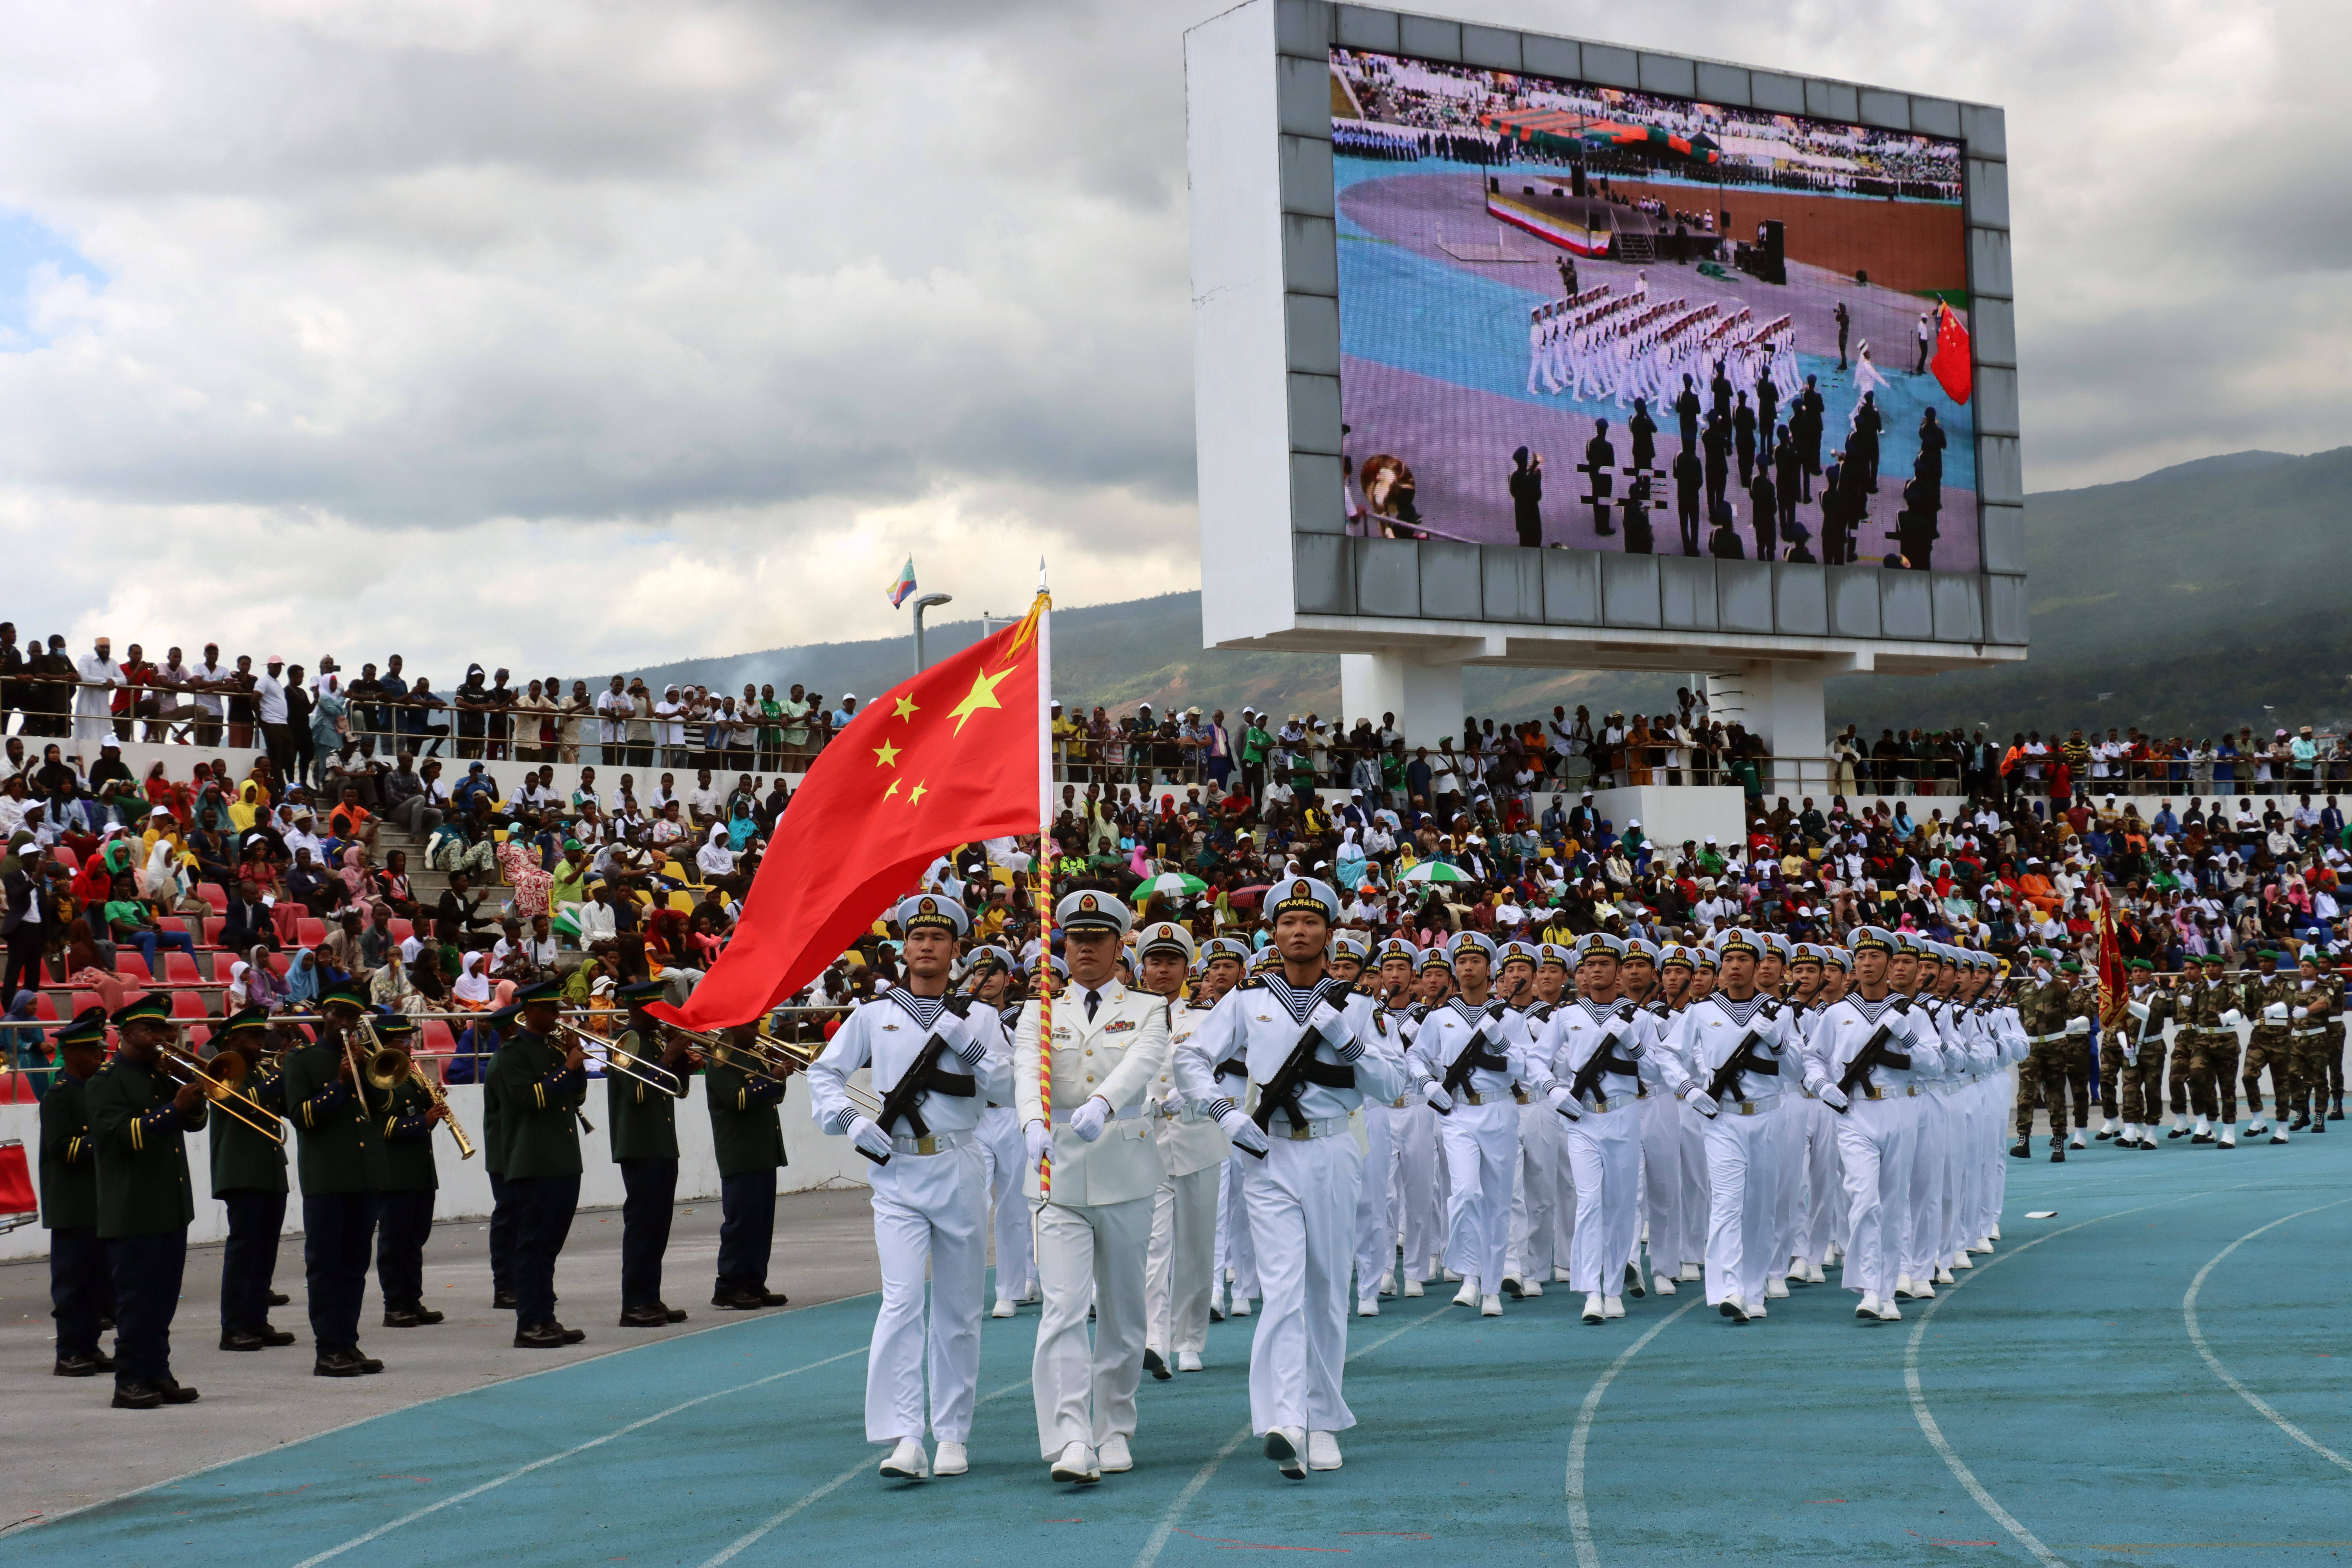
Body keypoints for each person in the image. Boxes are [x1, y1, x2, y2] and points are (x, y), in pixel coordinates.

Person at [1180, 876, 1409, 1478]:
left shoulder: (1358, 1005)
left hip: (1333, 1152)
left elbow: (1392, 1086)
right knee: (1282, 1287)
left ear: (1329, 934)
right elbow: (1191, 1058)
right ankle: (1284, 1418)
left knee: (1327, 1287)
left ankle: (1324, 1418)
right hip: (1268, 1153)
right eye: (1287, 923)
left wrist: (1350, 1044)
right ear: (1273, 933)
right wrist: (1224, 1113)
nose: (1298, 932)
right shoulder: (1247, 999)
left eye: (1310, 923)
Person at [809, 894, 1009, 1482]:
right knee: (901, 1302)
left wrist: (967, 1041)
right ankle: (905, 1435)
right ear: (903, 947)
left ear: (955, 950)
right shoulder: (875, 1014)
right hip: (897, 1171)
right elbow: (823, 1074)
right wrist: (850, 1121)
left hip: (959, 1165)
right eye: (916, 936)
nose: (926, 946)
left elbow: (1009, 1085)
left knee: (958, 1307)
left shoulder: (981, 1016)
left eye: (937, 938)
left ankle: (952, 1434)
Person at [1012, 887, 1171, 1485]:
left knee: (1126, 1314)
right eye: (1075, 939)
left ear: (1117, 944)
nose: (1084, 948)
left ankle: (1115, 1426)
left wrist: (1104, 1102)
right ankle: (1071, 1434)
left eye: (1097, 938)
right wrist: (1031, 1119)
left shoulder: (1150, 1007)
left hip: (1126, 1171)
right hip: (1056, 1174)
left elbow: (1141, 1063)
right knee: (1062, 1309)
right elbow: (1028, 1068)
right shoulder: (1039, 1011)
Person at [1536, 933, 1691, 1324]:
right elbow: (1535, 1061)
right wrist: (1554, 1090)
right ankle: (1591, 1289)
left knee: (1622, 1203)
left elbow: (1657, 1074)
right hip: (1582, 1117)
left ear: (1619, 972)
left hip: (1625, 1116)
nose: (1597, 971)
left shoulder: (1639, 1018)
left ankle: (1613, 1288)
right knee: (1589, 1201)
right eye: (1590, 965)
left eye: (1605, 964)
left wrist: (1635, 1047)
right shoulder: (1566, 1016)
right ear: (1582, 973)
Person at [85, 993, 209, 1406]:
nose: (163, 1036)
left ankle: (159, 1371)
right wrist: (174, 1108)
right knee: (137, 1301)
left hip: (169, 1204)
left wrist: (193, 1097)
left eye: (165, 1029)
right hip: (133, 1207)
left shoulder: (161, 1075)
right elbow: (121, 1136)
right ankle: (130, 1380)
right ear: (127, 1033)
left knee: (163, 1299)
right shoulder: (107, 1080)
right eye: (152, 1030)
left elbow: (194, 1124)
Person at [1666, 929, 1792, 1323]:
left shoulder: (1780, 1012)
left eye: (1743, 960)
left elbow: (1799, 1072)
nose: (1735, 967)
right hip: (1723, 1119)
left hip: (1768, 1116)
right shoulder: (1702, 1011)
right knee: (1726, 1203)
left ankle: (1755, 1288)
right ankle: (1728, 1288)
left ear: (1758, 966)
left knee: (1759, 1206)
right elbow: (1668, 1054)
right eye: (1729, 961)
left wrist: (1780, 1045)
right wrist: (1688, 1089)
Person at [1407, 931, 1529, 1317]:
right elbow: (1414, 1059)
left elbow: (1527, 1069)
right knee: (1465, 1192)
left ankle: (1491, 1287)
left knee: (1496, 1201)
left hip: (1499, 1110)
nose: (1468, 967)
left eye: (1475, 961)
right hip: (1457, 1112)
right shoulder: (1440, 1017)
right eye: (1462, 962)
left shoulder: (1510, 1017)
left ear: (1489, 969)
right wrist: (1428, 1084)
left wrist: (1502, 1043)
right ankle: (1469, 1275)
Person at [282, 981, 390, 1375]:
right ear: (323, 1015)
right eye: (339, 1015)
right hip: (327, 1178)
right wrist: (340, 1084)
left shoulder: (363, 1057)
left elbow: (383, 1105)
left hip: (364, 1176)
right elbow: (303, 1117)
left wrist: (365, 1071)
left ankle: (349, 1342)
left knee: (355, 1264)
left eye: (353, 1017)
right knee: (326, 1265)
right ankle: (328, 1348)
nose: (345, 1023)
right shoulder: (302, 1061)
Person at [1136, 920, 1227, 1376]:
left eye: (1172, 961)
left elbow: (1222, 1072)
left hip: (1197, 1141)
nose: (1164, 970)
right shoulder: (1126, 1019)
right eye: (1155, 961)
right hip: (1146, 1144)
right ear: (1142, 968)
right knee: (1154, 1248)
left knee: (1195, 1246)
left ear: (1187, 967)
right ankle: (1155, 1338)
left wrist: (1191, 1093)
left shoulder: (1207, 1019)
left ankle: (1189, 1338)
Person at [489, 979, 591, 1347]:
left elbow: (576, 1094)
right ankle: (530, 1323)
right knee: (533, 1245)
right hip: (533, 1161)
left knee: (549, 1246)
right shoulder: (511, 1054)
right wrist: (567, 1067)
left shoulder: (551, 1050)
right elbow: (529, 1099)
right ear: (529, 1010)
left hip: (563, 1159)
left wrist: (575, 1065)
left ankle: (546, 1317)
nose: (557, 1016)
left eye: (557, 1009)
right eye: (550, 1009)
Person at [607, 979, 697, 1327]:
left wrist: (684, 1062)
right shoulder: (628, 1041)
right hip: (640, 1144)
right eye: (654, 1007)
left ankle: (651, 1296)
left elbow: (678, 1090)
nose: (660, 1013)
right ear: (638, 1009)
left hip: (660, 1142)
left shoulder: (653, 1039)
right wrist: (668, 1056)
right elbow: (637, 1093)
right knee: (643, 1226)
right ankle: (634, 1303)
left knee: (658, 1226)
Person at [208, 1006, 296, 1352]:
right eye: (253, 1037)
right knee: (244, 1250)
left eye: (263, 1036)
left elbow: (286, 1106)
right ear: (232, 1039)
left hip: (269, 1166)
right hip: (241, 1169)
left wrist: (295, 1075)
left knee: (265, 1250)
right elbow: (243, 1104)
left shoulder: (260, 1069)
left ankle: (257, 1320)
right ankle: (233, 1326)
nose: (261, 1042)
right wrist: (278, 1077)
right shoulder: (224, 1069)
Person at [40, 1007, 115, 1378]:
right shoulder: (60, 1095)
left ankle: (90, 1344)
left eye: (100, 1047)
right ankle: (69, 1350)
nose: (101, 1054)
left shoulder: (98, 1089)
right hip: (72, 1202)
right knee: (73, 1282)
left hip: (100, 1200)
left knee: (98, 1281)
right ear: (70, 1052)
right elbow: (63, 1149)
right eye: (92, 1049)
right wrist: (105, 1140)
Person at [704, 1022, 791, 1311]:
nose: (757, 1030)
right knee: (741, 1222)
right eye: (752, 1025)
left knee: (761, 1221)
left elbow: (775, 1097)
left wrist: (778, 1077)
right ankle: (729, 1285)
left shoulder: (754, 1055)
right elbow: (737, 1100)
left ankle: (754, 1281)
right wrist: (773, 1077)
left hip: (763, 1149)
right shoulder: (721, 1058)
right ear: (734, 1026)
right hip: (740, 1151)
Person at [374, 1012, 450, 1328]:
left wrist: (431, 1097)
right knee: (396, 1240)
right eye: (403, 1040)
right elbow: (384, 1126)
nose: (409, 1046)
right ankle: (395, 1305)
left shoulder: (409, 1074)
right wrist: (425, 1120)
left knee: (416, 1237)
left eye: (410, 1039)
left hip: (419, 1169)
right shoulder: (377, 1075)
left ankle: (412, 1299)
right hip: (395, 1172)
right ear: (385, 1043)